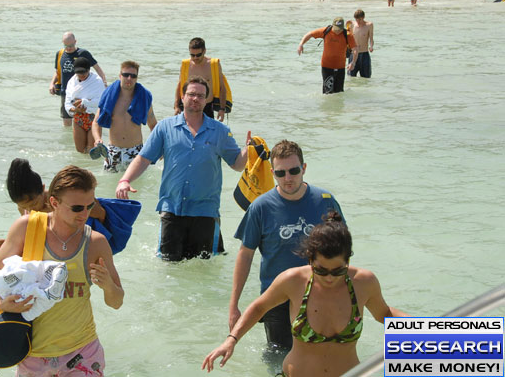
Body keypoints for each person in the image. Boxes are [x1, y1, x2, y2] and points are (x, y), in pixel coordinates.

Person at [204, 211, 407, 377]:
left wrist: (431, 327)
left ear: (348, 260)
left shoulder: (364, 282)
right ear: (310, 259)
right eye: (321, 270)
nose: (329, 278)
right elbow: (260, 307)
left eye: (338, 271)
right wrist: (231, 339)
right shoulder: (293, 281)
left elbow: (385, 314)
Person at [0, 165, 123, 377]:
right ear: (54, 202)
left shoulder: (96, 242)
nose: (85, 214)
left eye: (90, 206)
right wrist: (0, 302)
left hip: (83, 353)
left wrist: (108, 286)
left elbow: (116, 302)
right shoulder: (26, 228)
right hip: (32, 354)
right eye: (77, 208)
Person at [228, 140, 345, 356]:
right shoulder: (260, 208)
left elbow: (342, 253)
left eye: (293, 171)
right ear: (272, 173)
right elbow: (245, 255)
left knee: (323, 358)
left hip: (320, 295)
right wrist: (234, 305)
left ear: (304, 168)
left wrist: (342, 293)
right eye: (281, 173)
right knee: (279, 359)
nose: (288, 178)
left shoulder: (326, 202)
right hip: (275, 301)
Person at [116, 77, 250, 261]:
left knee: (205, 270)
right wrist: (125, 180)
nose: (196, 99)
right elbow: (144, 158)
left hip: (206, 212)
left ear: (206, 100)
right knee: (169, 268)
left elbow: (236, 164)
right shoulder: (165, 127)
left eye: (201, 96)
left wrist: (248, 150)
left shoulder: (220, 131)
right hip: (172, 209)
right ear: (182, 96)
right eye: (192, 94)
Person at [0, 158, 107, 256]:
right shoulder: (24, 208)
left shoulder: (64, 203)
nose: (32, 210)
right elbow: (34, 240)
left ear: (43, 188)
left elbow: (101, 215)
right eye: (24, 207)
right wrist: (1, 244)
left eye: (33, 204)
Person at [91, 60, 158, 173]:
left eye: (133, 76)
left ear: (137, 78)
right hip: (113, 151)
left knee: (138, 187)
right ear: (120, 75)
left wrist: (159, 148)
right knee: (110, 188)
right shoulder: (109, 97)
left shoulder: (143, 98)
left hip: (136, 151)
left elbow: (154, 125)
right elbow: (96, 122)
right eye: (126, 75)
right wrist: (98, 139)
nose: (129, 79)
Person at [49, 32, 107, 127]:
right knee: (67, 122)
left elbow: (97, 68)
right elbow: (57, 72)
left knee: (84, 119)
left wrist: (104, 83)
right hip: (66, 92)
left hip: (84, 91)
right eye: (66, 45)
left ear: (75, 42)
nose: (69, 48)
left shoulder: (83, 53)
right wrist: (51, 84)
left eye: (71, 45)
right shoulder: (59, 54)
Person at [175, 38, 231, 121]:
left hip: (207, 106)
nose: (195, 58)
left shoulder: (213, 64)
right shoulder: (186, 65)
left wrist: (222, 109)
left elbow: (222, 88)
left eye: (198, 55)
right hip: (188, 106)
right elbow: (180, 86)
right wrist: (176, 106)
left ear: (204, 51)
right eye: (192, 55)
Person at [297, 17, 358, 94]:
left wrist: (353, 62)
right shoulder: (326, 31)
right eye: (336, 29)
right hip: (327, 66)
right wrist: (301, 44)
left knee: (339, 93)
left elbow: (355, 49)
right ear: (333, 26)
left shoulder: (348, 35)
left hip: (340, 67)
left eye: (340, 29)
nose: (338, 31)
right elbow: (310, 34)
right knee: (327, 93)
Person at [65, 57, 106, 154]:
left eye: (84, 72)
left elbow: (101, 101)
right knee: (80, 150)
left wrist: (84, 102)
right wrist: (75, 109)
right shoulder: (71, 81)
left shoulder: (97, 81)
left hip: (93, 117)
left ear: (89, 70)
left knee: (91, 150)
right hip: (78, 117)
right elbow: (67, 102)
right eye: (78, 73)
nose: (81, 75)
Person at [348, 9, 374, 79]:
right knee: (351, 78)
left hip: (364, 54)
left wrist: (371, 46)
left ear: (363, 18)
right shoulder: (352, 25)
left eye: (360, 19)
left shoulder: (369, 25)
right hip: (353, 54)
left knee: (366, 78)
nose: (358, 21)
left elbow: (371, 38)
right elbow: (348, 39)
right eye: (356, 19)